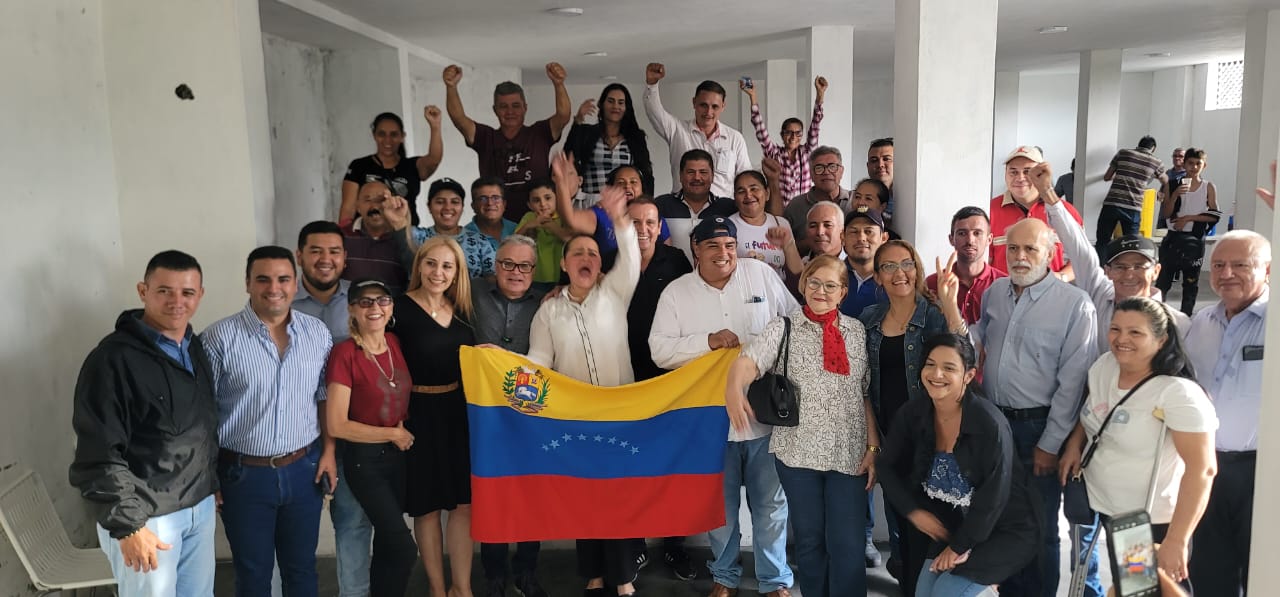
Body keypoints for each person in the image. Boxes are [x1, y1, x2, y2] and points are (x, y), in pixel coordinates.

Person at [650, 217, 799, 597]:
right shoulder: (676, 293)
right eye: (713, 246)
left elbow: (794, 324)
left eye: (729, 245)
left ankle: (775, 579)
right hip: (708, 420)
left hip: (765, 418)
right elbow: (659, 350)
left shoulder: (761, 276)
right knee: (720, 509)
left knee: (770, 505)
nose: (723, 253)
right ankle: (724, 576)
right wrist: (708, 341)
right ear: (695, 250)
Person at [722, 254, 875, 597]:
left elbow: (863, 394)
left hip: (848, 455)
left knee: (847, 543)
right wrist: (734, 387)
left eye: (830, 285)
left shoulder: (856, 331)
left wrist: (873, 447)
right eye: (814, 282)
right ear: (804, 284)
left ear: (843, 292)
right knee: (809, 541)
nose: (821, 291)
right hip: (797, 455)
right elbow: (747, 363)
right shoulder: (783, 327)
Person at [70, 251, 219, 597]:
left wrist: (211, 483)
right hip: (147, 517)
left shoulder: (193, 348)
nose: (176, 302)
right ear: (143, 291)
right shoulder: (112, 360)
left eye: (187, 292)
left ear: (200, 295)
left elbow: (202, 427)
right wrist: (128, 527)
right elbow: (98, 453)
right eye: (164, 290)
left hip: (198, 507)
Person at [524, 185, 642, 597]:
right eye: (578, 254)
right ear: (564, 263)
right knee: (585, 499)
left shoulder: (615, 293)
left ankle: (623, 577)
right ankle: (593, 572)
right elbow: (538, 362)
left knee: (618, 499)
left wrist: (619, 218)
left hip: (620, 417)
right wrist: (500, 364)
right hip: (573, 420)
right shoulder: (548, 310)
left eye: (593, 253)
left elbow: (631, 256)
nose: (587, 258)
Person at [971, 217, 1099, 597]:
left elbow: (1074, 381)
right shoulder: (995, 292)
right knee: (1003, 521)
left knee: (1041, 525)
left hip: (1040, 427)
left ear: (1050, 253)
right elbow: (979, 336)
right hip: (995, 424)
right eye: (1013, 248)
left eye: (1031, 249)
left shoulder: (1075, 305)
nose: (1020, 256)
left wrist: (1050, 442)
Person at [202, 246, 335, 596]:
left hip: (302, 468)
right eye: (262, 279)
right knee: (253, 574)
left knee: (302, 570)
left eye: (283, 279)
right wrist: (209, 474)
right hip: (243, 476)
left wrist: (329, 451)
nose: (273, 287)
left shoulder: (317, 333)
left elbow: (323, 396)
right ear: (247, 283)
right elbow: (203, 414)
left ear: (295, 285)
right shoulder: (218, 339)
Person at [1058, 297, 1218, 587]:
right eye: (1115, 329)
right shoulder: (1105, 366)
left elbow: (1202, 470)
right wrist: (1074, 444)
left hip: (1144, 522)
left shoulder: (1178, 394)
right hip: (1107, 507)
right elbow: (1094, 410)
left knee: (1143, 590)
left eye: (1135, 332)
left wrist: (1177, 540)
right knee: (1131, 587)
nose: (1121, 340)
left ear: (1161, 339)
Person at [878, 334, 1041, 597]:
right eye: (930, 364)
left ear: (968, 375)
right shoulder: (913, 413)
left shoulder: (989, 423)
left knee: (946, 593)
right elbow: (885, 466)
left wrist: (958, 547)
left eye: (949, 367)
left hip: (1004, 530)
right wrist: (913, 512)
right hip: (954, 528)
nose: (936, 373)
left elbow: (994, 499)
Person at [858, 241, 967, 594]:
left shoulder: (934, 314)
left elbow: (965, 357)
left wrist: (951, 304)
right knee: (899, 526)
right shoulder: (869, 319)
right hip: (890, 441)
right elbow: (861, 386)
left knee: (931, 525)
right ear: (877, 276)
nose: (899, 273)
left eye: (906, 264)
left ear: (917, 270)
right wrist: (874, 443)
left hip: (931, 439)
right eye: (888, 267)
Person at [1184, 230, 1270, 596]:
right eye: (1218, 265)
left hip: (1262, 473)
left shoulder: (1275, 321)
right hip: (1206, 468)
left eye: (1240, 264)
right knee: (1208, 568)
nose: (1227, 273)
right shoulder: (1202, 322)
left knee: (1262, 572)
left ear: (1267, 269)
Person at [292, 221, 375, 597]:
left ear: (345, 258)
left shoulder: (363, 302)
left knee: (354, 523)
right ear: (300, 256)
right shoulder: (281, 301)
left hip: (352, 431)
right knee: (294, 531)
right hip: (297, 435)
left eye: (334, 252)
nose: (325, 260)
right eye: (316, 251)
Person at [1031, 161, 1191, 348]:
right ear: (1107, 270)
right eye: (1120, 267)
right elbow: (1079, 248)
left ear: (1156, 271)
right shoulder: (1100, 295)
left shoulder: (1178, 324)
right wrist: (1047, 192)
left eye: (1139, 266)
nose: (1129, 274)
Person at [324, 279, 418, 597]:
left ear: (391, 307)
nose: (374, 307)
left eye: (382, 300)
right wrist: (392, 432)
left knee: (388, 547)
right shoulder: (345, 353)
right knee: (404, 548)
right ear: (351, 309)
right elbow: (337, 424)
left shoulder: (394, 343)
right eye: (364, 302)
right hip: (365, 462)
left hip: (397, 460)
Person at [397, 236, 478, 597]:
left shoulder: (462, 312)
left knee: (463, 505)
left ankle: (462, 588)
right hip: (416, 416)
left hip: (457, 416)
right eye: (431, 263)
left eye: (447, 266)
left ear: (457, 272)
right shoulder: (397, 310)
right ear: (419, 266)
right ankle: (436, 587)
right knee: (426, 508)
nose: (438, 272)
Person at [469, 235, 550, 597]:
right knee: (493, 493)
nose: (516, 272)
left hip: (532, 414)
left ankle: (526, 572)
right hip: (486, 415)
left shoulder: (549, 300)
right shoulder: (470, 295)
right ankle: (495, 574)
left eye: (524, 266)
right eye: (508, 264)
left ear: (534, 270)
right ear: (495, 265)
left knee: (532, 495)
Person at [622, 196, 697, 580]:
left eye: (650, 222)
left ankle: (674, 546)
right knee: (632, 466)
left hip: (671, 380)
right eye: (635, 221)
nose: (643, 229)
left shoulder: (677, 262)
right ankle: (633, 546)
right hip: (625, 380)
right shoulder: (612, 260)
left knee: (672, 468)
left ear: (659, 226)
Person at [443, 62, 571, 222]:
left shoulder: (539, 133)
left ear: (525, 108)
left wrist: (558, 84)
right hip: (496, 222)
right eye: (503, 106)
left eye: (516, 106)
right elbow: (459, 120)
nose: (510, 111)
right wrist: (451, 87)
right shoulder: (485, 137)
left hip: (539, 219)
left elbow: (563, 116)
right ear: (495, 110)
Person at [643, 62, 750, 197]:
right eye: (703, 105)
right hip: (682, 209)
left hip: (722, 211)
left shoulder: (735, 138)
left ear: (723, 106)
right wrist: (652, 85)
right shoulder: (678, 130)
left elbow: (744, 178)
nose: (708, 112)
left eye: (715, 107)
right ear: (694, 103)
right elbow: (655, 113)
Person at [990, 145, 1083, 279]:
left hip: (1052, 295)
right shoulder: (989, 211)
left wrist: (1061, 278)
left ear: (1042, 174)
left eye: (1027, 171)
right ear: (1005, 174)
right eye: (1013, 172)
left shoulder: (1066, 212)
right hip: (1004, 296)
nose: (1020, 178)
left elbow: (1081, 258)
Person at [339, 108, 444, 226]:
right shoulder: (359, 166)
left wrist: (435, 126)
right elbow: (348, 208)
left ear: (402, 137)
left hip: (405, 235)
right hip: (368, 237)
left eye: (394, 134)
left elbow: (434, 159)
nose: (387, 140)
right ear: (374, 135)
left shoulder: (411, 166)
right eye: (382, 134)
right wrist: (346, 236)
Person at [566, 83, 655, 206]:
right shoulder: (587, 133)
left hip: (624, 203)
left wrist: (646, 204)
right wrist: (578, 120)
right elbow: (569, 158)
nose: (615, 106)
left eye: (621, 102)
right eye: (611, 101)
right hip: (590, 201)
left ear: (626, 107)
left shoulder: (635, 137)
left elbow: (646, 173)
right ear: (602, 104)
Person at [1156, 148, 1220, 316]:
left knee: (1191, 282)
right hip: (1174, 238)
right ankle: (1159, 315)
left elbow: (1214, 215)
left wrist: (1189, 218)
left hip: (1195, 238)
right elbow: (1167, 213)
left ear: (1204, 165)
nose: (1194, 167)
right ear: (1184, 164)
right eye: (1190, 163)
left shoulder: (1208, 187)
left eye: (1198, 163)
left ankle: (1187, 316)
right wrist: (1175, 194)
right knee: (1164, 280)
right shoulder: (1173, 184)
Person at [743, 76, 827, 201]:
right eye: (789, 132)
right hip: (779, 209)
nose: (793, 137)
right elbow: (759, 128)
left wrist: (820, 95)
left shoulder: (808, 153)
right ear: (782, 134)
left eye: (798, 133)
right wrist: (752, 96)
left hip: (803, 209)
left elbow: (815, 125)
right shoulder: (774, 153)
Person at [925, 207, 1007, 325]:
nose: (970, 240)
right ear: (951, 239)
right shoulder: (933, 284)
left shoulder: (1004, 286)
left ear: (989, 239)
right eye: (962, 233)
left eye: (977, 233)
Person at [656, 149, 737, 264]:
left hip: (714, 279)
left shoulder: (728, 208)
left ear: (712, 176)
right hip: (670, 280)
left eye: (703, 172)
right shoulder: (661, 205)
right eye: (691, 172)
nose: (697, 177)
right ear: (680, 176)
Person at [340, 180, 418, 293]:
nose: (374, 206)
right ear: (357, 206)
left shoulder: (405, 235)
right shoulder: (341, 235)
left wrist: (399, 223)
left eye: (381, 200)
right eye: (367, 200)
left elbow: (417, 271)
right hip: (347, 308)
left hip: (392, 308)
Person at [413, 178, 497, 277]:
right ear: (429, 206)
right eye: (440, 202)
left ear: (462, 207)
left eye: (454, 202)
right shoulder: (417, 237)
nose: (448, 207)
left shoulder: (481, 242)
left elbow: (493, 280)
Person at [1099, 136, 1167, 254]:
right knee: (1131, 244)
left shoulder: (1123, 153)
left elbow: (1107, 177)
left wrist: (1121, 176)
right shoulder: (1156, 162)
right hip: (1133, 207)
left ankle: (1100, 269)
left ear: (1138, 145)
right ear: (1153, 148)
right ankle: (1127, 270)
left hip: (1112, 203)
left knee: (1103, 241)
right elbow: (1165, 180)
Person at [783, 147, 851, 253]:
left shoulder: (857, 200)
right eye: (819, 168)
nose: (826, 172)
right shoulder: (796, 206)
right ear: (811, 174)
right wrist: (814, 241)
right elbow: (783, 247)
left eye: (832, 167)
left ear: (841, 171)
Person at [730, 170, 792, 279]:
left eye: (754, 189)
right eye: (741, 191)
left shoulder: (781, 223)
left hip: (778, 293)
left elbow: (794, 267)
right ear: (735, 198)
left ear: (767, 193)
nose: (748, 195)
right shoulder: (728, 227)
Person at [515, 178, 573, 289]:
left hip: (563, 277)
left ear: (557, 198)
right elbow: (514, 242)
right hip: (536, 277)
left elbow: (570, 239)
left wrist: (550, 225)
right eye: (536, 200)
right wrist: (528, 226)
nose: (543, 204)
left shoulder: (565, 216)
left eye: (548, 198)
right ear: (529, 205)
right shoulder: (529, 217)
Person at [839, 207, 890, 318]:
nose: (861, 238)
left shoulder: (894, 279)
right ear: (842, 237)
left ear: (884, 238)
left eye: (869, 231)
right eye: (854, 231)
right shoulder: (832, 275)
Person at [465, 177, 518, 252]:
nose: (490, 203)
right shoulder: (465, 235)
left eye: (496, 198)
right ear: (473, 206)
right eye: (483, 198)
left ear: (504, 204)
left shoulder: (516, 229)